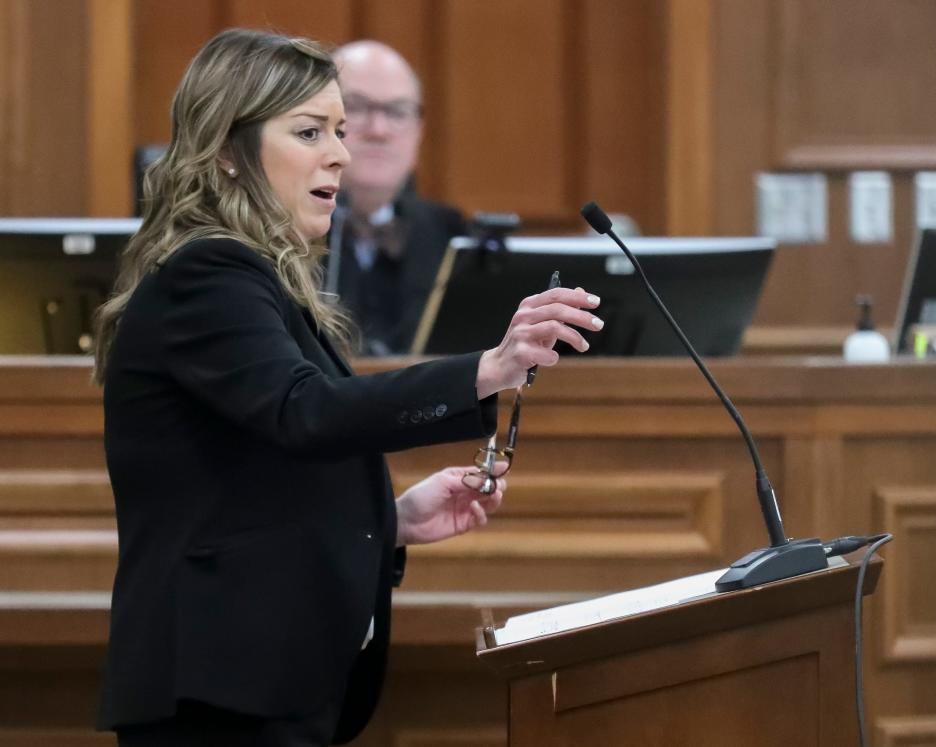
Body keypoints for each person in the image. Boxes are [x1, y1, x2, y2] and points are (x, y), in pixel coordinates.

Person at [92, 28, 602, 747]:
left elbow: (249, 478)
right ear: (227, 152)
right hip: (218, 689)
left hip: (256, 683)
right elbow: (305, 412)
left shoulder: (252, 280)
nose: (341, 151)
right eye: (309, 131)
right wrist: (485, 367)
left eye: (338, 129)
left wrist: (389, 520)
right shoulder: (206, 275)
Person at [325, 40, 465, 355]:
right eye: (356, 107)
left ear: (419, 132)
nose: (379, 129)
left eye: (397, 112)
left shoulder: (451, 235)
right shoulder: (277, 235)